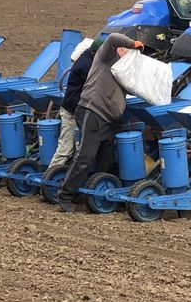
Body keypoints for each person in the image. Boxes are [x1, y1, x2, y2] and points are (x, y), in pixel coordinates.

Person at [57, 32, 144, 212]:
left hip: (110, 119)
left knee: (106, 160)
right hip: (93, 111)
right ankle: (65, 195)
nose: (126, 52)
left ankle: (94, 195)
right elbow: (112, 37)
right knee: (85, 157)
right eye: (124, 49)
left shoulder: (123, 69)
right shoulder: (104, 58)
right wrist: (132, 42)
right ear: (119, 49)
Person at [48, 40, 98, 170]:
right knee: (66, 149)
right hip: (72, 112)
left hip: (77, 110)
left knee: (77, 149)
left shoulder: (86, 58)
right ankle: (49, 177)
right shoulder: (86, 66)